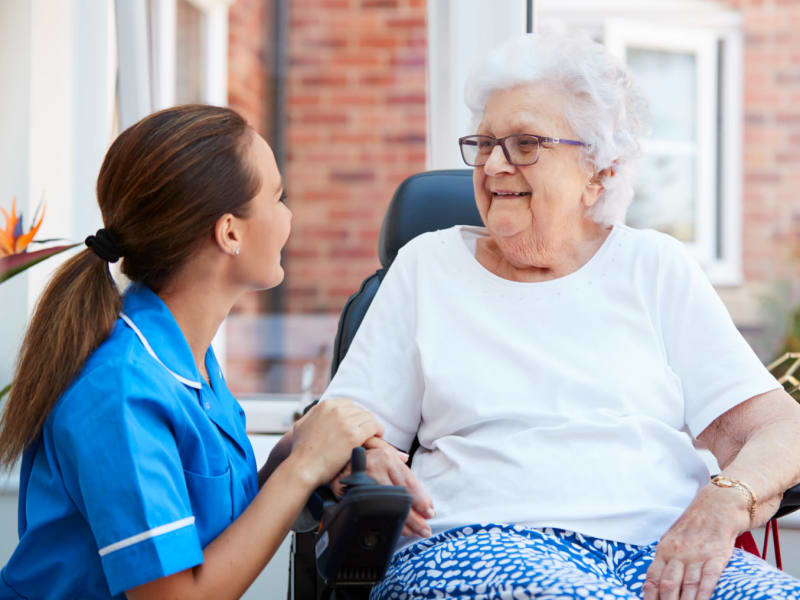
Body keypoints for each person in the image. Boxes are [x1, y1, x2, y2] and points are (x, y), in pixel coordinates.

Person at [269, 33, 800, 599]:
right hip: (477, 541)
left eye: (525, 144)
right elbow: (332, 433)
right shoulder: (428, 266)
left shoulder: (655, 266)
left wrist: (726, 500)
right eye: (485, 142)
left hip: (659, 550)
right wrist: (365, 459)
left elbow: (779, 428)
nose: (495, 164)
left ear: (599, 171)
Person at [0, 105, 383, 599]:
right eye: (278, 197)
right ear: (230, 232)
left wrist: (296, 450)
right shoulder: (119, 389)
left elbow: (205, 525)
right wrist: (302, 469)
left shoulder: (188, 361)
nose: (289, 216)